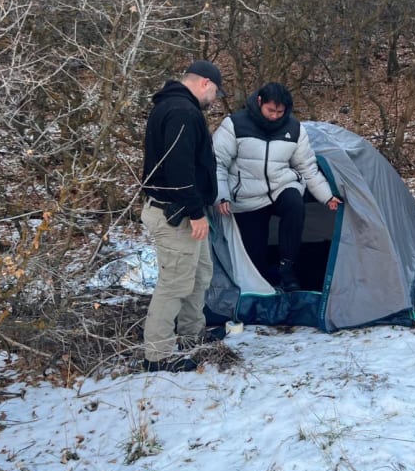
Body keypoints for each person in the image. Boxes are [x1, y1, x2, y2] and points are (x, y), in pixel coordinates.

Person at [213, 82, 341, 292]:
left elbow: (306, 166)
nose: (274, 116)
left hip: (281, 186)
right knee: (255, 253)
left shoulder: (294, 128)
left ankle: (287, 267)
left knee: (295, 204)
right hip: (247, 195)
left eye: (280, 112)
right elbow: (217, 161)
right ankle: (264, 280)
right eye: (271, 110)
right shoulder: (235, 125)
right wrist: (222, 195)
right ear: (260, 102)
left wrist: (327, 196)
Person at [140, 60, 225, 372]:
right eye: (215, 91)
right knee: (175, 283)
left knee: (200, 273)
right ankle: (157, 355)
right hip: (176, 215)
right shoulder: (182, 112)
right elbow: (178, 170)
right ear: (204, 82)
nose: (214, 99)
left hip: (187, 212)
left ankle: (191, 334)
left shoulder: (176, 107)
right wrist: (194, 211)